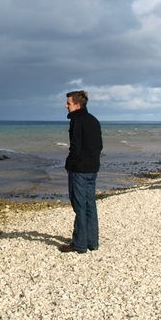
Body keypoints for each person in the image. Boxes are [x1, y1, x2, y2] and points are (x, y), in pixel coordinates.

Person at [60, 90, 102, 254]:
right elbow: (99, 146)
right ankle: (92, 242)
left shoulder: (77, 121)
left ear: (77, 105)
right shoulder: (93, 120)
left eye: (68, 103)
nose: (66, 106)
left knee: (80, 205)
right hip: (92, 168)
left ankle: (79, 243)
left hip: (80, 169)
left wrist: (69, 163)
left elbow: (75, 147)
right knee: (89, 204)